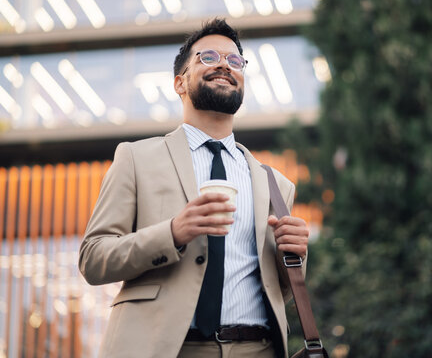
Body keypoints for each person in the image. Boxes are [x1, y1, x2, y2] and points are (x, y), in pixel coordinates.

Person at [78, 18, 309, 358]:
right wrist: (172, 232)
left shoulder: (275, 184)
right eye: (208, 57)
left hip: (258, 348)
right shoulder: (135, 158)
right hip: (166, 348)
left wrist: (297, 256)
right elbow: (93, 258)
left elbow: (279, 290)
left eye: (234, 61)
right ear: (179, 83)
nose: (223, 65)